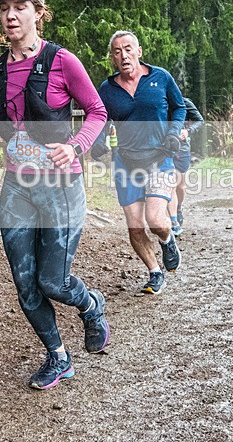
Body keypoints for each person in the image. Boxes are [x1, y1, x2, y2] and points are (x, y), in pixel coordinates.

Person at [0, 0, 110, 390]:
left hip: (61, 188)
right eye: (4, 8)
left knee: (53, 282)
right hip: (16, 187)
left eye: (20, 7)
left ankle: (91, 304)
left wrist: (75, 147)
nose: (10, 15)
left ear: (39, 13)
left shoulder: (63, 61)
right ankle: (58, 356)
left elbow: (97, 111)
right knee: (25, 283)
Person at [92, 30, 186, 295]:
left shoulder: (160, 77)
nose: (124, 55)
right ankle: (155, 272)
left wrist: (173, 133)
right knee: (135, 226)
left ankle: (167, 239)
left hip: (159, 158)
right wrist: (97, 141)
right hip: (126, 162)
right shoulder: (107, 89)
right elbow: (100, 117)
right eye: (117, 51)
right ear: (112, 58)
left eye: (128, 49)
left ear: (139, 51)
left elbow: (179, 107)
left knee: (155, 220)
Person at [167, 97, 204, 236]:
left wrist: (188, 131)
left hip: (182, 148)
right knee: (171, 183)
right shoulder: (158, 101)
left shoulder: (184, 102)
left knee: (180, 186)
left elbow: (200, 121)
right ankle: (173, 221)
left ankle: (178, 208)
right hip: (163, 148)